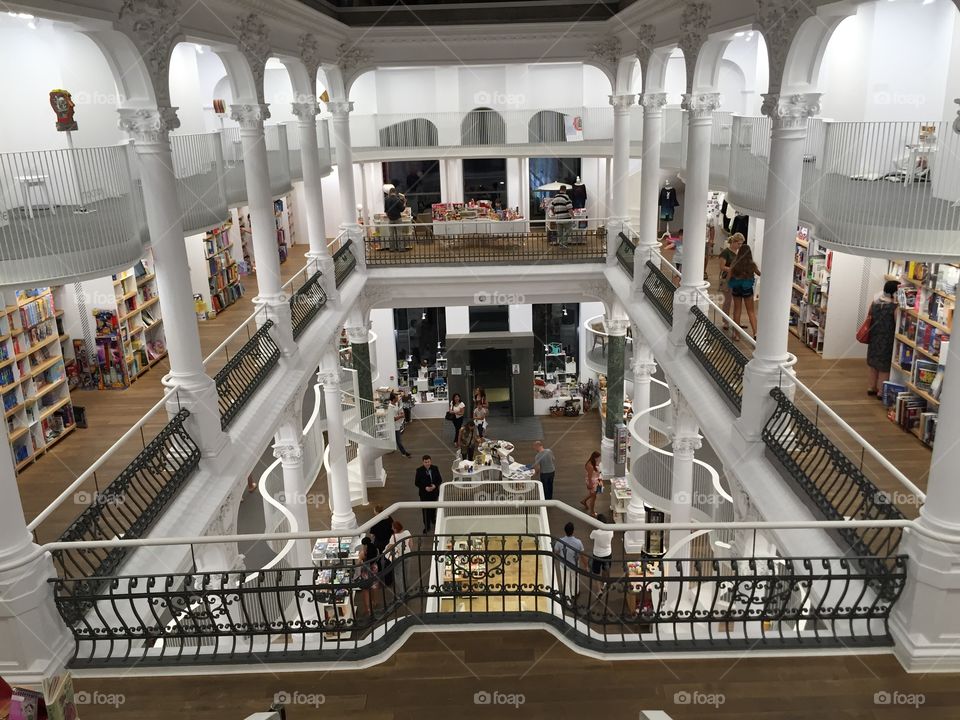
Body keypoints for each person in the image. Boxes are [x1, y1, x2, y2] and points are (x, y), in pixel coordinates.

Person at [866, 280, 899, 398]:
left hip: (874, 336)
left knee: (873, 364)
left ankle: (871, 387)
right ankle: (881, 391)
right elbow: (897, 323)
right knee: (884, 367)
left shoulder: (875, 302)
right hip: (887, 339)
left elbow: (869, 316)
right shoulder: (894, 307)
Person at [727, 243, 761, 340]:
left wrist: (727, 285)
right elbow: (759, 273)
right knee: (751, 312)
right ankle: (755, 333)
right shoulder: (751, 265)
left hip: (736, 288)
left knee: (737, 311)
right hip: (747, 289)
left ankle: (736, 334)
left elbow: (729, 276)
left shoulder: (735, 263)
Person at [718, 233, 745, 333]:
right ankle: (725, 321)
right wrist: (733, 269)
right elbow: (722, 267)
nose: (740, 246)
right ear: (733, 242)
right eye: (739, 244)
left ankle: (736, 321)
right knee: (728, 301)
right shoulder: (725, 253)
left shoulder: (738, 253)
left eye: (741, 244)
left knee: (737, 301)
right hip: (727, 279)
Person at [553, 521, 585, 603]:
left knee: (565, 581)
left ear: (565, 531)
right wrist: (586, 565)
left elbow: (555, 552)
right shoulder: (578, 542)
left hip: (564, 565)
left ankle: (567, 597)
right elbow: (582, 555)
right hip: (574, 565)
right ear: (573, 531)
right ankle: (575, 592)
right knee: (575, 579)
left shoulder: (560, 541)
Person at [414, 454, 443, 533]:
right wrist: (425, 488)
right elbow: (417, 483)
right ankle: (427, 526)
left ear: (431, 461)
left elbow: (439, 480)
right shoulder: (419, 470)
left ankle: (433, 520)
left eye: (428, 462)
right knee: (425, 510)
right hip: (424, 494)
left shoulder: (435, 468)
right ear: (423, 462)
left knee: (433, 508)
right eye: (425, 462)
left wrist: (435, 486)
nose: (427, 463)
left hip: (434, 493)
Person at [355, 536, 380, 616]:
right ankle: (374, 602)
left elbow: (358, 563)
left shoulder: (364, 552)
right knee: (374, 585)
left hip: (366, 570)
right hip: (374, 568)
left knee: (365, 590)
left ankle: (367, 609)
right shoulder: (375, 549)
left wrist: (359, 557)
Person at [388, 520, 413, 596]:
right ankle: (407, 586)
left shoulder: (393, 537)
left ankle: (402, 592)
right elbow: (411, 543)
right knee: (406, 572)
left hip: (398, 557)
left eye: (392, 527)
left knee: (398, 574)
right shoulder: (407, 532)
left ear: (395, 529)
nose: (392, 528)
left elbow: (390, 547)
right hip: (408, 555)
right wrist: (409, 550)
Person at [590, 514, 614, 586]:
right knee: (606, 569)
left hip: (597, 554)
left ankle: (599, 589)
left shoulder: (595, 532)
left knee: (596, 572)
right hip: (607, 553)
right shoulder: (610, 531)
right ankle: (605, 582)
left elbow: (591, 537)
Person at [384, 187, 406, 251]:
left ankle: (392, 248)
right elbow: (402, 209)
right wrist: (404, 203)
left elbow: (386, 210)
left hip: (390, 219)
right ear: (395, 192)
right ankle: (401, 248)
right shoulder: (397, 199)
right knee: (399, 234)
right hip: (398, 218)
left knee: (391, 234)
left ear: (390, 192)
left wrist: (388, 216)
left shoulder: (386, 199)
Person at [389, 393, 411, 458]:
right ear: (393, 399)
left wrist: (400, 413)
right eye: (396, 398)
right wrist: (401, 416)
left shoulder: (395, 405)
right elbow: (393, 419)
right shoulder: (390, 408)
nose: (397, 399)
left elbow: (397, 412)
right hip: (394, 426)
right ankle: (404, 453)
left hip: (397, 425)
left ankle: (403, 452)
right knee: (398, 441)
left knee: (398, 440)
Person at [581, 450, 602, 517]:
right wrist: (590, 484)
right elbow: (589, 477)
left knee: (592, 495)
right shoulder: (590, 465)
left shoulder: (593, 462)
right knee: (593, 497)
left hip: (595, 480)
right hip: (592, 482)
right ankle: (592, 512)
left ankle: (584, 501)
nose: (598, 459)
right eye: (598, 458)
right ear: (595, 457)